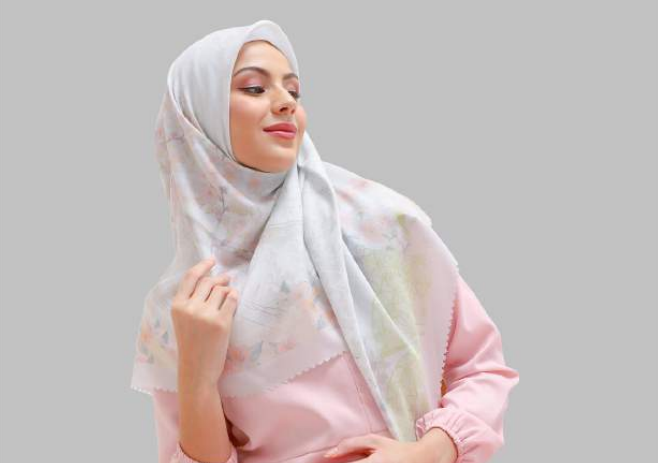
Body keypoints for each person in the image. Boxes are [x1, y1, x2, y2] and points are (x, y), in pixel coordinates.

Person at [130, 19, 520, 463]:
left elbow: (482, 367)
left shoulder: (379, 226)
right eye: (254, 88)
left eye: (293, 91)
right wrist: (197, 378)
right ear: (197, 119)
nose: (285, 103)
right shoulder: (184, 306)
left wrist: (428, 452)